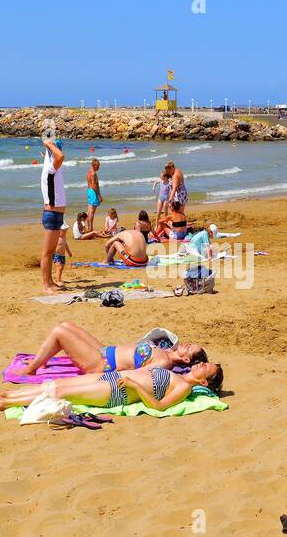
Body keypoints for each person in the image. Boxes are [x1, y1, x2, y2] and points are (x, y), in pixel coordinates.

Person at [0, 362, 224, 412]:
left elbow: (159, 406)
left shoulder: (184, 387)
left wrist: (135, 386)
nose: (201, 364)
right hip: (114, 378)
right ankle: (7, 393)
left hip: (117, 392)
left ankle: (4, 404)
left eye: (206, 368)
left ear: (204, 382)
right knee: (58, 383)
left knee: (62, 392)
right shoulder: (177, 374)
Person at [20, 322, 208, 375]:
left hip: (101, 364)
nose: (187, 344)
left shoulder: (164, 363)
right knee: (67, 325)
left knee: (59, 332)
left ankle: (31, 369)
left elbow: (137, 376)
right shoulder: (166, 350)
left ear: (186, 360)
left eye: (189, 349)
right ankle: (42, 359)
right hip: (104, 350)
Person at [39, 137, 66, 294]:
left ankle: (50, 281)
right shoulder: (50, 169)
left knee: (51, 252)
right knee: (47, 252)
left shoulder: (51, 166)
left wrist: (49, 148)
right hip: (51, 214)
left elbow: (56, 156)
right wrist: (48, 143)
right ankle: (45, 285)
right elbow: (60, 156)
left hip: (56, 214)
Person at [164, 161, 189, 239]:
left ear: (172, 168)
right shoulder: (178, 171)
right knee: (180, 213)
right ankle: (181, 229)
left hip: (180, 195)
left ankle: (180, 231)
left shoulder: (175, 175)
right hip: (183, 194)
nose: (168, 173)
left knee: (178, 214)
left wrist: (170, 199)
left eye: (168, 171)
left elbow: (174, 188)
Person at [85, 156, 103, 227]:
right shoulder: (93, 173)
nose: (99, 168)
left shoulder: (88, 172)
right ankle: (90, 227)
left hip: (89, 191)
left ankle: (89, 227)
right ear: (94, 165)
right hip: (93, 192)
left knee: (89, 211)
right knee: (92, 212)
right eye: (98, 166)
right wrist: (99, 196)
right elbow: (94, 185)